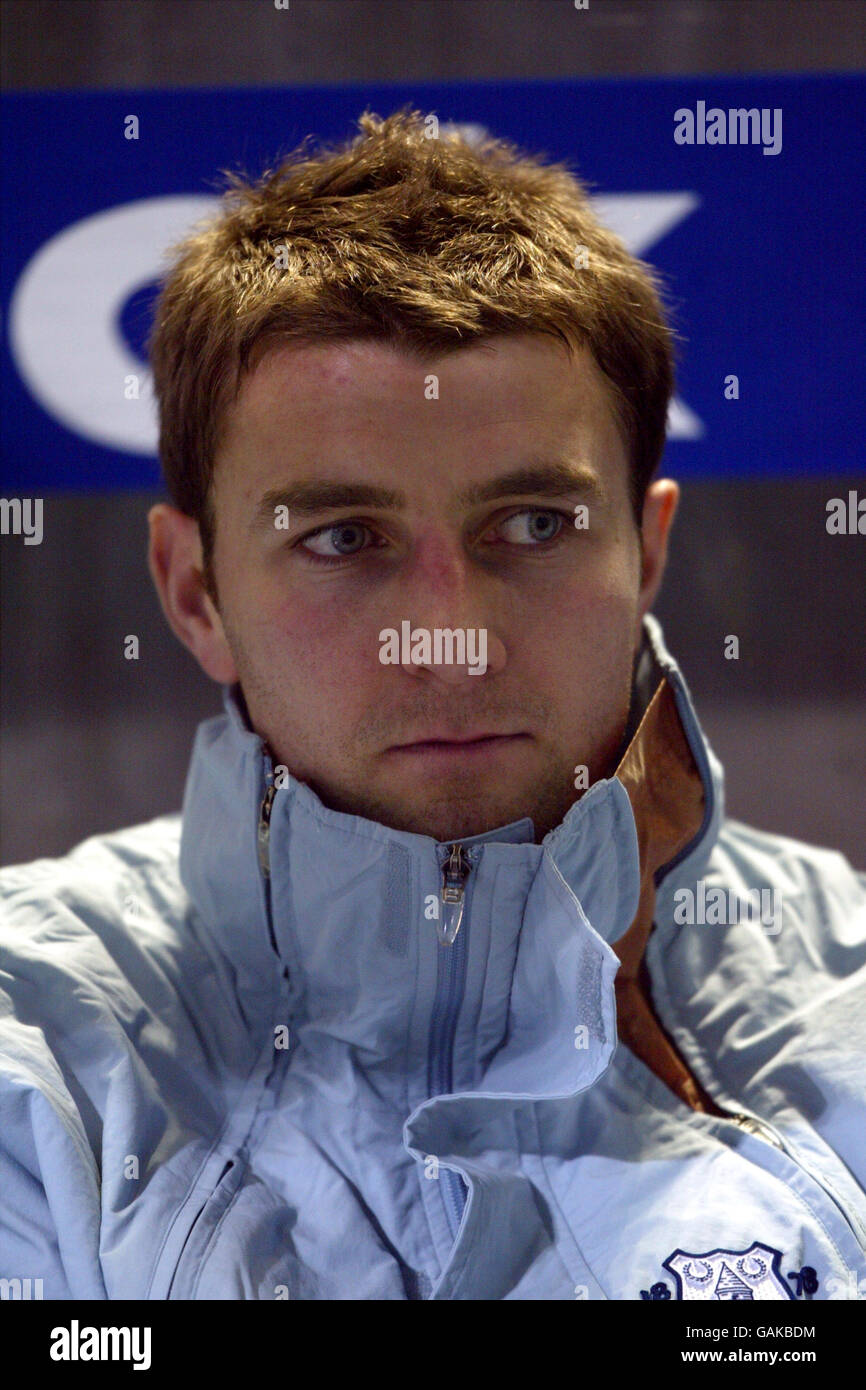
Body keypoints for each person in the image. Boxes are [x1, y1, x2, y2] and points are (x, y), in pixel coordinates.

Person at [1, 107, 864, 1303]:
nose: (450, 638)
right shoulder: (28, 1049)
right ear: (194, 591)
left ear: (647, 547)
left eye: (531, 526)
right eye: (344, 537)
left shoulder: (849, 1008)